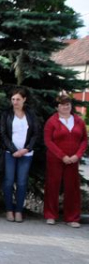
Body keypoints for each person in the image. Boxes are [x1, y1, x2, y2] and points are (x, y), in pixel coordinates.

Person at [43, 93, 86, 228]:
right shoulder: (52, 121)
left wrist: (77, 155)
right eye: (62, 105)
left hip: (73, 160)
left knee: (72, 188)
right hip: (55, 159)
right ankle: (51, 215)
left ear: (71, 106)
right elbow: (48, 141)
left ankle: (72, 218)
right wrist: (62, 156)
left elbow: (84, 140)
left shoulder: (78, 121)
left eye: (67, 104)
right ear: (57, 107)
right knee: (52, 186)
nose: (65, 107)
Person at [0, 87, 40, 223]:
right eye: (13, 99)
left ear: (24, 100)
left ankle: (18, 211)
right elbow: (3, 133)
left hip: (26, 154)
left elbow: (35, 133)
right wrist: (13, 150)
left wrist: (26, 149)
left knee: (22, 183)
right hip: (10, 153)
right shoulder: (6, 114)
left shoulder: (30, 114)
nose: (15, 102)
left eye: (18, 99)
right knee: (9, 182)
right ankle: (9, 210)